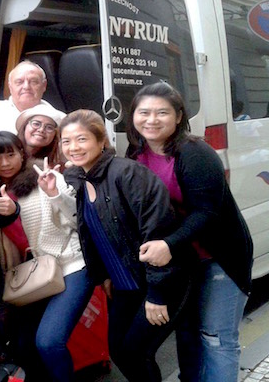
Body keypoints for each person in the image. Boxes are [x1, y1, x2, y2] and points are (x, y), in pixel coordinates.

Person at [125, 82, 253, 382]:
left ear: (179, 116)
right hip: (182, 262)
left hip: (218, 257)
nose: (151, 120)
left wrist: (169, 244)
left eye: (162, 112)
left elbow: (207, 212)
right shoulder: (137, 153)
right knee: (187, 333)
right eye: (144, 112)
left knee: (216, 337)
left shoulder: (194, 152)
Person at [60, 109, 190, 382]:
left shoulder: (127, 173)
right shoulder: (82, 179)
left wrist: (157, 294)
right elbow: (97, 234)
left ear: (101, 141)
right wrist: (106, 275)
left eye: (82, 139)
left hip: (160, 281)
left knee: (136, 351)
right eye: (66, 141)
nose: (73, 147)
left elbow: (158, 233)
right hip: (125, 284)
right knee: (118, 350)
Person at [0, 131, 91, 381]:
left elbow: (77, 220)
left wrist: (53, 194)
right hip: (32, 277)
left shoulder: (44, 178)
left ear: (22, 154)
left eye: (10, 154)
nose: (5, 163)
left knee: (49, 341)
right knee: (22, 344)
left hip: (70, 264)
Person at [0, 61, 59, 135]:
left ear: (44, 85)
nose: (26, 87)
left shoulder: (58, 118)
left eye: (33, 82)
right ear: (10, 86)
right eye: (19, 82)